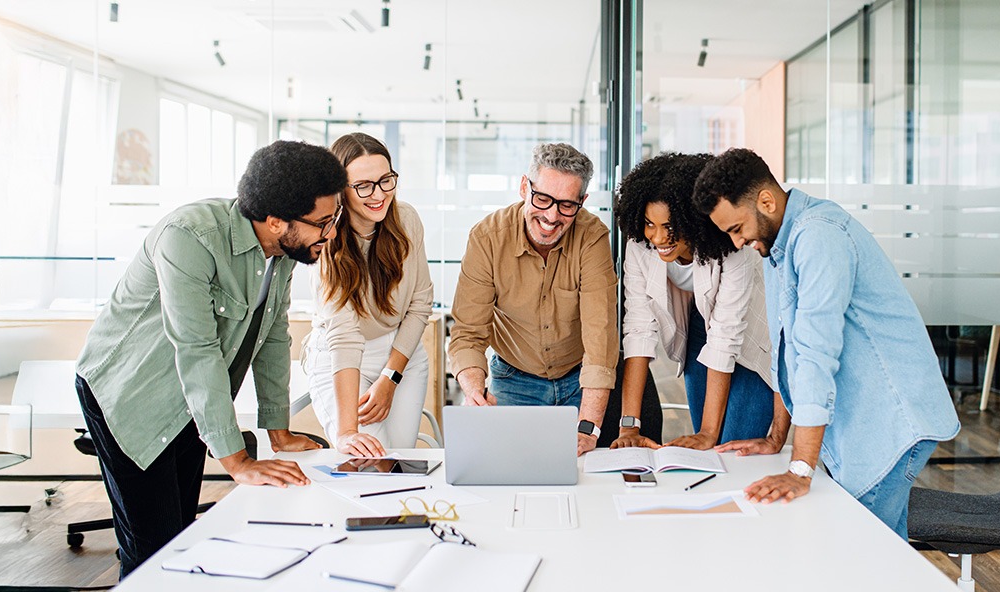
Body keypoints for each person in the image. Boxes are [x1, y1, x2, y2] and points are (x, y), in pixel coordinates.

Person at [74, 140, 347, 576]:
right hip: (130, 395)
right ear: (276, 221)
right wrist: (238, 463)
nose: (331, 233)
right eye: (322, 222)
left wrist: (278, 431)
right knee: (152, 553)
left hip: (190, 399)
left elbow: (273, 335)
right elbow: (196, 348)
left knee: (183, 538)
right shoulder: (189, 237)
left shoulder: (285, 251)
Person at [695, 147, 959, 538]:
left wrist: (800, 469)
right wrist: (775, 438)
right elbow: (789, 351)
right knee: (871, 557)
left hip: (890, 423)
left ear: (766, 201)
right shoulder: (777, 247)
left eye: (737, 229)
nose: (737, 242)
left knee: (856, 553)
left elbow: (817, 353)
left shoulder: (819, 235)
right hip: (858, 426)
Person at [611, 152, 789, 452]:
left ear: (693, 221)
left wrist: (709, 432)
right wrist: (630, 425)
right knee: (704, 445)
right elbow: (639, 330)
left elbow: (726, 335)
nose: (657, 237)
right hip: (697, 323)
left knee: (731, 444)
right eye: (649, 223)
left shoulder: (733, 246)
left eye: (669, 226)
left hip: (750, 335)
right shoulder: (640, 245)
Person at [449, 143, 618, 456]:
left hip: (579, 380)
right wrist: (474, 390)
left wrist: (588, 427)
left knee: (582, 477)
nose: (552, 216)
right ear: (524, 186)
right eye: (542, 199)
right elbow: (467, 334)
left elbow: (601, 338)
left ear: (582, 202)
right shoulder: (487, 238)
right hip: (513, 378)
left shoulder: (592, 237)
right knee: (504, 468)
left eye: (567, 205)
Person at [305, 132, 434, 457]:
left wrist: (391, 377)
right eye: (363, 185)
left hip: (400, 354)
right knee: (370, 462)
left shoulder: (406, 220)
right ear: (340, 191)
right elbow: (345, 337)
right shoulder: (327, 240)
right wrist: (347, 432)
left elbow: (419, 305)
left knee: (399, 462)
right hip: (344, 358)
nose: (378, 195)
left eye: (386, 180)